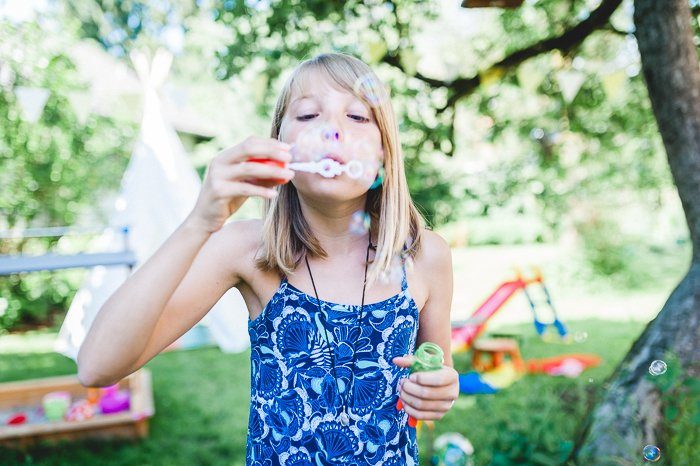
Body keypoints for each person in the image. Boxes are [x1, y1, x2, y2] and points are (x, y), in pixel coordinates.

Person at [78, 52, 458, 465]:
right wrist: (200, 223)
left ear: (385, 152)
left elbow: (435, 369)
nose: (333, 129)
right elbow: (97, 367)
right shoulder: (250, 251)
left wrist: (440, 388)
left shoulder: (425, 256)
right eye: (308, 115)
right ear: (280, 147)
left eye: (357, 117)